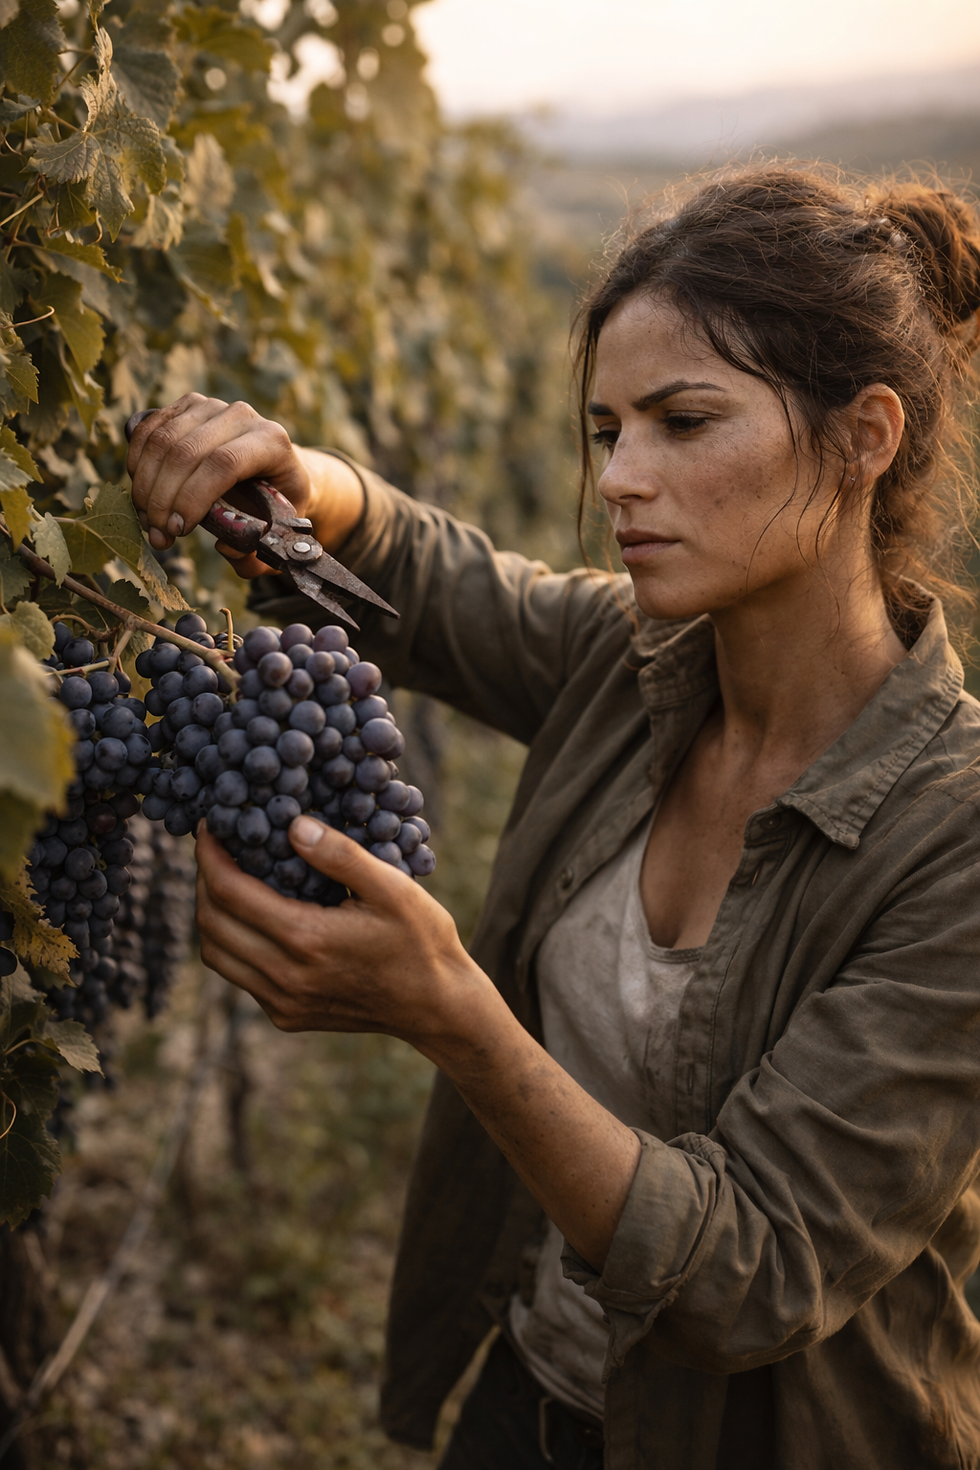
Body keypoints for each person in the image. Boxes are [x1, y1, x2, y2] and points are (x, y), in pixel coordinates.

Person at [126, 167, 980, 1470]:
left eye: (684, 422)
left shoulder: (956, 839)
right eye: (605, 429)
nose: (624, 477)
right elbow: (426, 577)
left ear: (866, 435)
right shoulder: (635, 662)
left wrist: (454, 1017)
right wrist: (301, 474)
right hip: (528, 1408)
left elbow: (748, 1271)